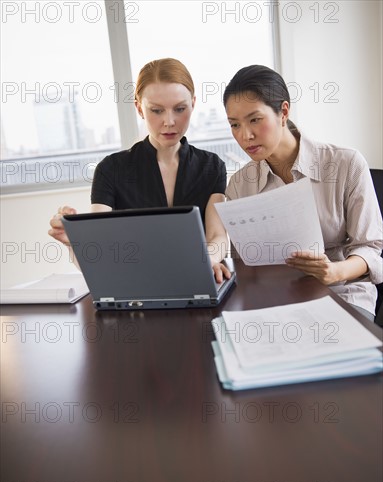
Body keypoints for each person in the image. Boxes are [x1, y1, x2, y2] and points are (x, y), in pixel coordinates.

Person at [222, 64, 383, 320]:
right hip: (276, 301)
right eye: (235, 125)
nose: (246, 135)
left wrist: (335, 272)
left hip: (343, 293)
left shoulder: (345, 163)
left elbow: (370, 248)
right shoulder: (240, 184)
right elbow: (243, 263)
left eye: (255, 120)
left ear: (283, 112)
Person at [49, 58, 230, 282]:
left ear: (193, 104)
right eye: (156, 110)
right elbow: (100, 252)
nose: (169, 121)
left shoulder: (211, 166)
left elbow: (217, 236)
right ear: (139, 108)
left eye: (180, 109)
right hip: (136, 286)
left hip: (198, 279)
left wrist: (206, 259)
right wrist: (75, 242)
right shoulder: (111, 169)